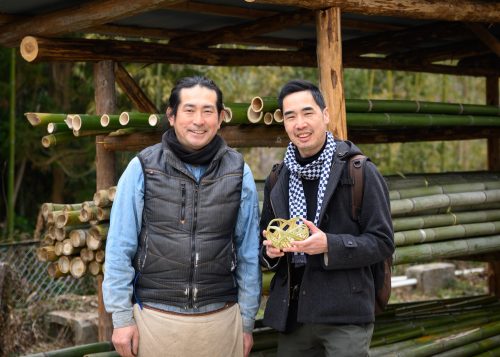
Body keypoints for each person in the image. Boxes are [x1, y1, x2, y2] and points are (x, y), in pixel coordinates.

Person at [103, 76, 261, 357]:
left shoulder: (238, 171)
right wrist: (121, 319)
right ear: (172, 116)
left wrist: (246, 322)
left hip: (221, 320)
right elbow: (119, 247)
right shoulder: (143, 168)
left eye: (208, 111)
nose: (198, 120)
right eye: (189, 110)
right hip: (155, 319)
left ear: (221, 117)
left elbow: (249, 252)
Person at [260, 79, 394, 357]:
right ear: (284, 123)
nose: (300, 124)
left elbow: (382, 242)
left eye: (308, 113)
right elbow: (263, 240)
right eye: (290, 116)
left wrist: (329, 245)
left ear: (325, 114)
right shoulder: (277, 178)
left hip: (345, 317)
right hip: (294, 316)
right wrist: (271, 251)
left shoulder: (359, 171)